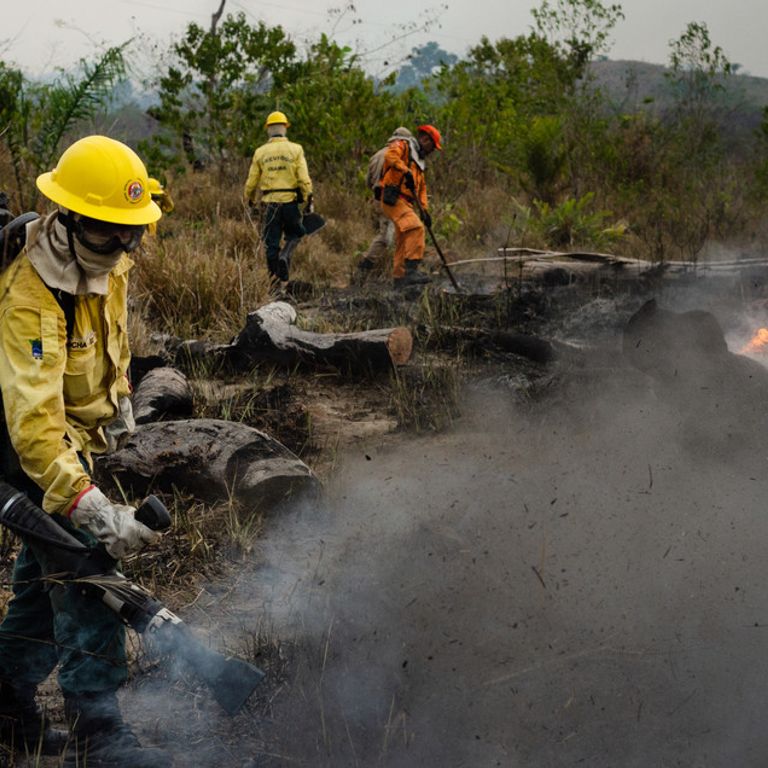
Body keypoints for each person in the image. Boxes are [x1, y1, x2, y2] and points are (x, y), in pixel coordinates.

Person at [0, 135, 172, 767]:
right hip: (23, 450)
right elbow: (35, 426)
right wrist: (90, 505)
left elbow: (108, 341)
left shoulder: (106, 254)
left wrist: (117, 399)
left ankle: (8, 703)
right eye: (113, 235)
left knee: (38, 583)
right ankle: (98, 733)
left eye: (133, 235)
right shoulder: (30, 292)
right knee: (86, 574)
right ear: (71, 220)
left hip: (74, 440)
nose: (125, 248)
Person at [243, 110, 314, 284]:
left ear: (268, 129)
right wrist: (308, 199)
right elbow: (304, 180)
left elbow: (251, 183)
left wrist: (250, 200)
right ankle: (286, 255)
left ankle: (274, 284)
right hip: (290, 202)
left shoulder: (260, 152)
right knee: (296, 233)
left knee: (271, 243)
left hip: (269, 205)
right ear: (285, 128)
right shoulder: (296, 149)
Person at [379, 124, 442, 289]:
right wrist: (404, 170)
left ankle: (399, 279)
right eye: (432, 146)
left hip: (406, 202)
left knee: (403, 238)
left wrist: (425, 211)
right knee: (415, 228)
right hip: (392, 198)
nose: (433, 150)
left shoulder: (419, 163)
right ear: (424, 139)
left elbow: (421, 189)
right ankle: (412, 271)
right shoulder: (403, 145)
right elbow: (390, 156)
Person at [356, 127, 413, 281]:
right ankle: (364, 268)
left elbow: (368, 182)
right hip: (392, 201)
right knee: (386, 238)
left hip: (378, 200)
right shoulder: (399, 156)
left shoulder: (376, 155)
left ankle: (398, 271)